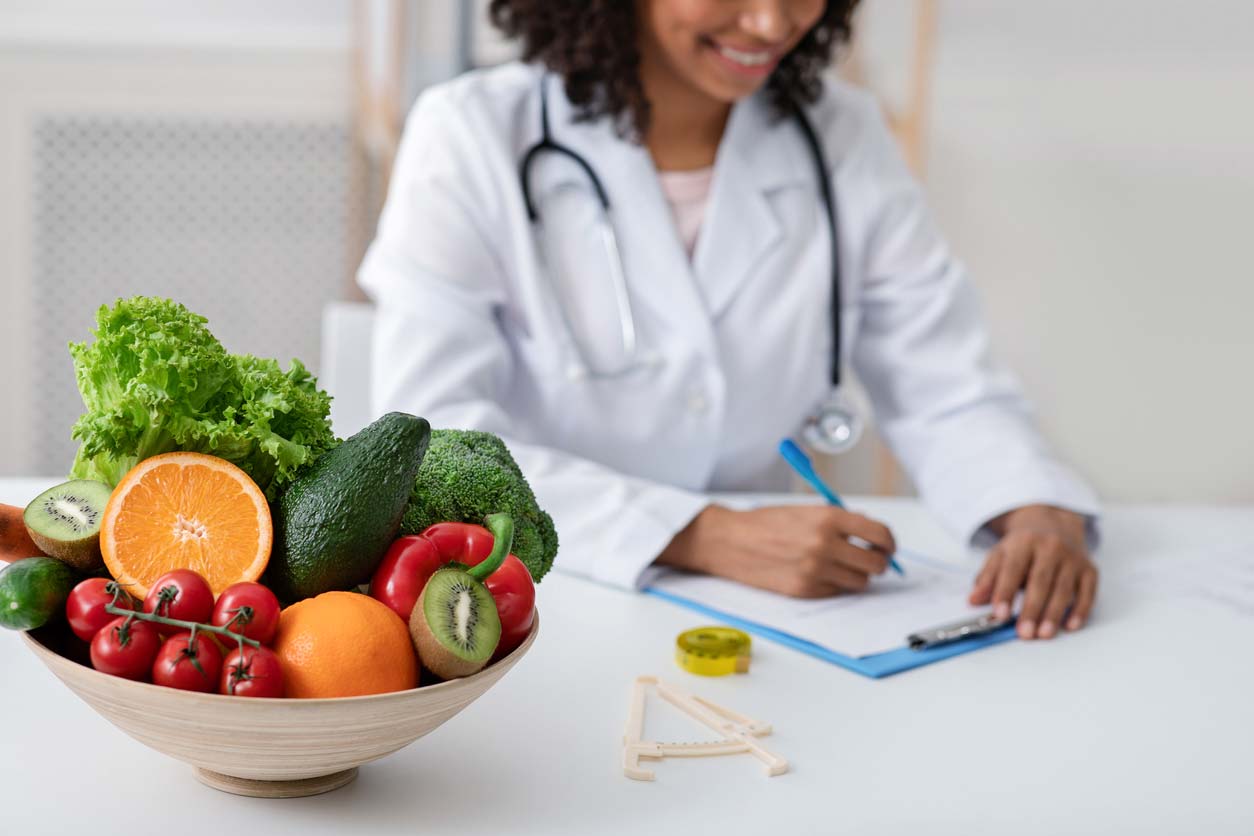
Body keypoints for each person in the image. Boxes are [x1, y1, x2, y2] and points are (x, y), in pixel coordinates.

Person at [359, 0, 1101, 641]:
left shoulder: (844, 135)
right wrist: (701, 533)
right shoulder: (473, 135)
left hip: (781, 621)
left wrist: (1032, 509)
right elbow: (433, 436)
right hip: (535, 608)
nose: (772, 22)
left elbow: (945, 383)